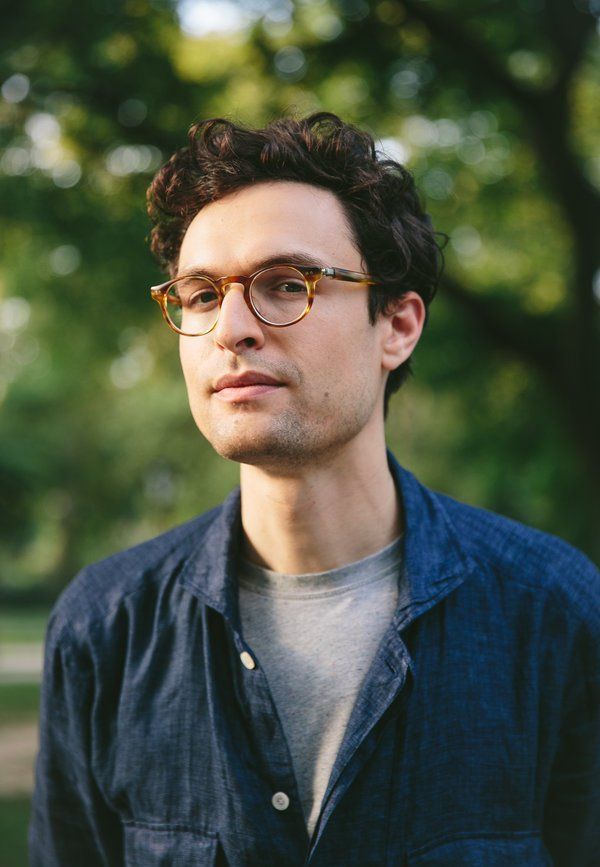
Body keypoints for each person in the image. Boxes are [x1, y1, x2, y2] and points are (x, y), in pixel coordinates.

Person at [30, 113, 599, 866]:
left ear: (396, 325)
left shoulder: (554, 610)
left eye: (286, 283)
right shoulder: (104, 630)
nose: (231, 326)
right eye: (200, 295)